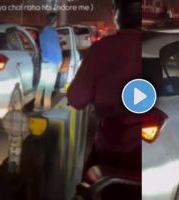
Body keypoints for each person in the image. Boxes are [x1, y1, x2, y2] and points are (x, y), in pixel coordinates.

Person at [67, 0, 141, 181]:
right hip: (155, 151)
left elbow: (76, 99)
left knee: (87, 187)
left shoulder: (101, 49)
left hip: (111, 152)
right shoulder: (157, 48)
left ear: (116, 14)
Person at [34, 12, 62, 111]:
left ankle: (36, 106)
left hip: (44, 62)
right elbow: (56, 49)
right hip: (52, 64)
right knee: (49, 87)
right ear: (54, 21)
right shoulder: (53, 33)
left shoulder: (42, 33)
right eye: (56, 21)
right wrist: (59, 62)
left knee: (41, 85)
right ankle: (46, 108)